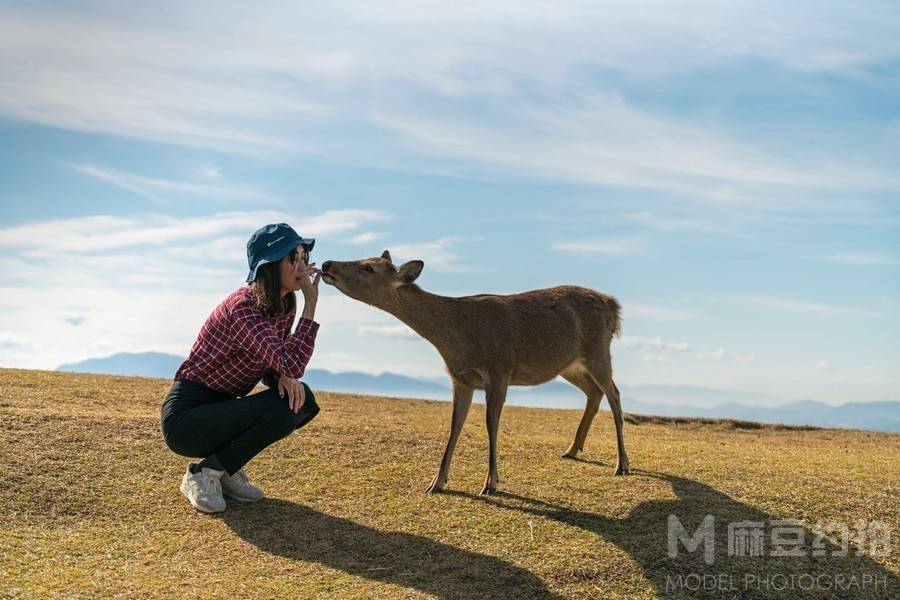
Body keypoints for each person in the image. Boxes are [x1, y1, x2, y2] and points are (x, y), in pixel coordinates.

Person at [160, 223, 322, 514]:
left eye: (304, 256)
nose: (303, 265)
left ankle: (223, 468)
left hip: (225, 408)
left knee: (301, 401)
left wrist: (283, 376)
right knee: (289, 403)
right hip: (187, 417)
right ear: (270, 266)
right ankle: (202, 474)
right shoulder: (244, 307)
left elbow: (278, 368)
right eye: (293, 257)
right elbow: (291, 363)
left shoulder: (284, 305)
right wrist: (312, 303)